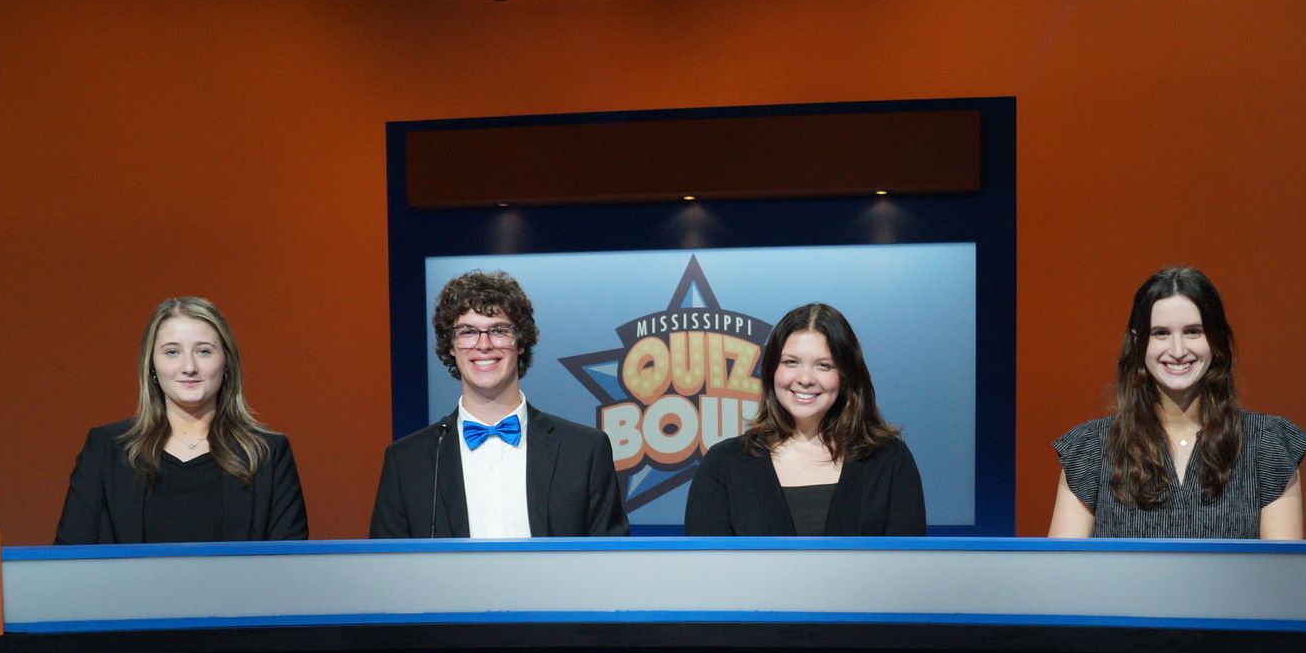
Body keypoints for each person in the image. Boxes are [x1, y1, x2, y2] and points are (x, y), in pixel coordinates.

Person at [1048, 267, 1306, 539]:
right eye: (1161, 333)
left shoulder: (1267, 445)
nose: (1178, 351)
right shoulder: (1090, 449)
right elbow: (1062, 574)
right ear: (1138, 343)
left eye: (1193, 332)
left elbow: (1283, 575)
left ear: (1216, 340)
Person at [370, 270, 628, 538]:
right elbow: (386, 571)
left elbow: (609, 566)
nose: (484, 345)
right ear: (450, 345)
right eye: (468, 331)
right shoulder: (407, 462)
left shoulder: (584, 452)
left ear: (521, 343)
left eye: (499, 330)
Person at [54, 297, 307, 544]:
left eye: (204, 352)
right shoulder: (106, 448)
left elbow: (287, 569)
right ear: (151, 365)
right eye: (172, 352)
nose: (189, 367)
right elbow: (67, 563)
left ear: (227, 362)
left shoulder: (267, 454)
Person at [684, 303, 926, 536]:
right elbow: (706, 572)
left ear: (846, 376)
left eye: (824, 365)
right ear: (771, 371)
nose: (805, 378)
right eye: (791, 362)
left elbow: (906, 571)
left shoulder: (889, 460)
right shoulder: (724, 464)